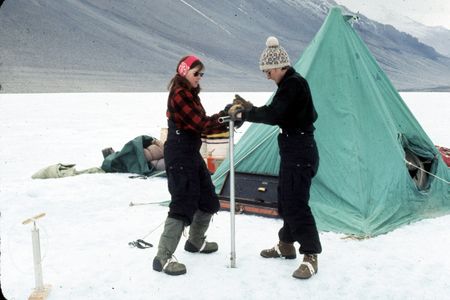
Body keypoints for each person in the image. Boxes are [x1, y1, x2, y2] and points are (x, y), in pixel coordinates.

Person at [229, 36, 322, 279]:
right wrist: (252, 110)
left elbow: (274, 114)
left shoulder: (293, 85)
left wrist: (247, 112)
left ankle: (311, 255)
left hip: (300, 152)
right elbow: (279, 112)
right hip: (296, 152)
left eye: (268, 71)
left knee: (296, 204)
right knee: (286, 199)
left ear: (280, 66)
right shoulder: (290, 85)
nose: (266, 76)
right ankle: (286, 244)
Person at [153, 55, 230, 276]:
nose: (199, 78)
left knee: (207, 196)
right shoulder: (180, 94)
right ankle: (163, 257)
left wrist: (227, 116)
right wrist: (226, 118)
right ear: (184, 72)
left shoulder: (190, 94)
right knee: (183, 202)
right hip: (179, 153)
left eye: (201, 74)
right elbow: (201, 125)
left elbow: (202, 121)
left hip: (190, 152)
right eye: (196, 73)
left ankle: (195, 242)